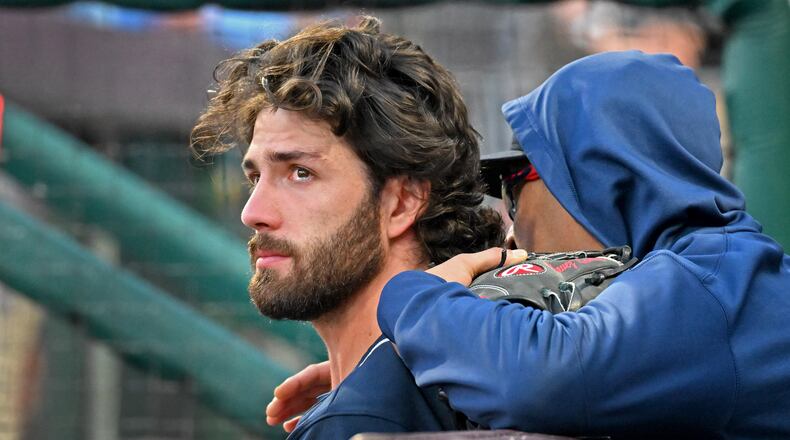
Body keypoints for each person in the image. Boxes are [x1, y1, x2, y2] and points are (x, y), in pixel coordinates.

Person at [267, 51, 790, 439]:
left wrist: (415, 303)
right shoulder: (717, 284)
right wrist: (424, 366)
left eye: (514, 180)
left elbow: (547, 377)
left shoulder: (715, 283)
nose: (508, 220)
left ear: (599, 176)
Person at [190, 16, 511, 439]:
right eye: (255, 177)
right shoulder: (497, 380)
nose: (253, 212)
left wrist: (364, 399)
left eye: (300, 172)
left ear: (403, 201)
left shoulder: (362, 422)